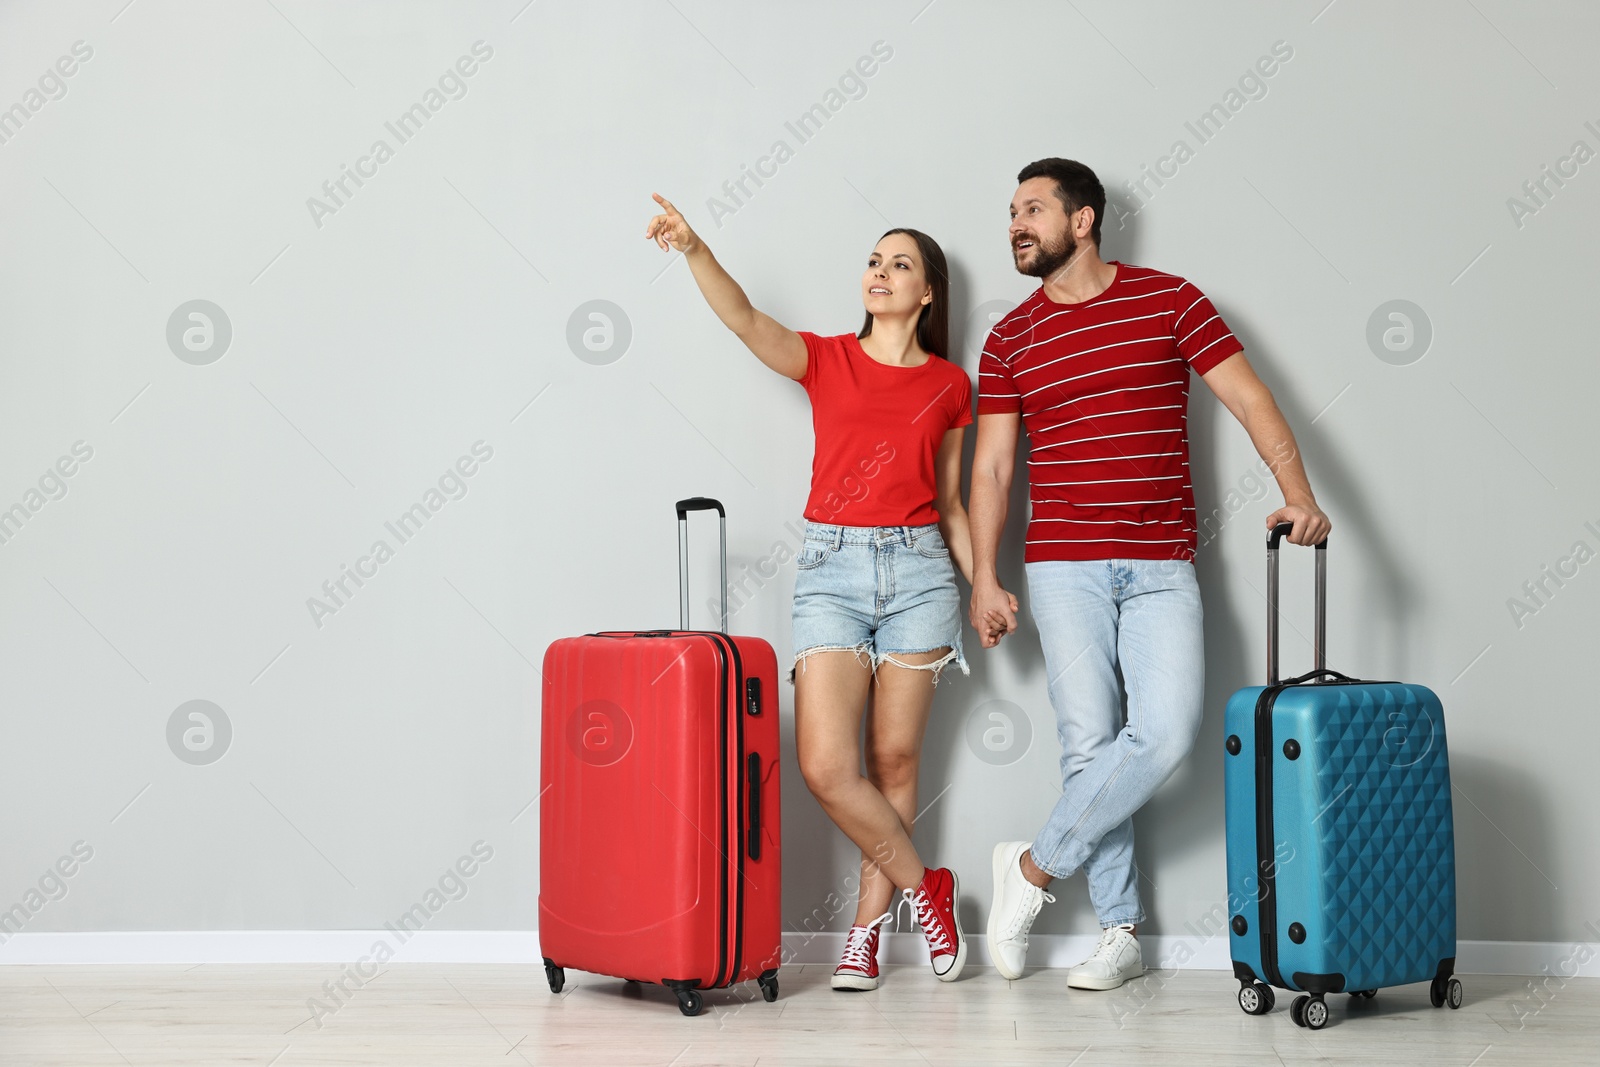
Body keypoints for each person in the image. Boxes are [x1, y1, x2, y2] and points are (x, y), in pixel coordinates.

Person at [970, 159, 1331, 988]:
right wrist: (986, 580)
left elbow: (1247, 396)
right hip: (1061, 566)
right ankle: (1120, 930)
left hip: (1162, 562)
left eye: (1032, 209)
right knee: (1088, 745)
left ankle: (1032, 867)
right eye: (1011, 212)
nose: (1017, 224)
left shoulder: (1170, 299)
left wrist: (1299, 494)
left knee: (1163, 733)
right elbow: (991, 469)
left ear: (1084, 218)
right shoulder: (1010, 337)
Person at [645, 194, 1008, 991]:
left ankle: (864, 937)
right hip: (832, 570)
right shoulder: (827, 359)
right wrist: (694, 247)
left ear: (927, 294)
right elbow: (744, 320)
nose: (880, 272)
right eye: (874, 260)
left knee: (894, 758)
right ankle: (929, 888)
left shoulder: (952, 385)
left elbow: (950, 501)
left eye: (899, 264)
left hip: (919, 573)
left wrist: (983, 579)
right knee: (825, 765)